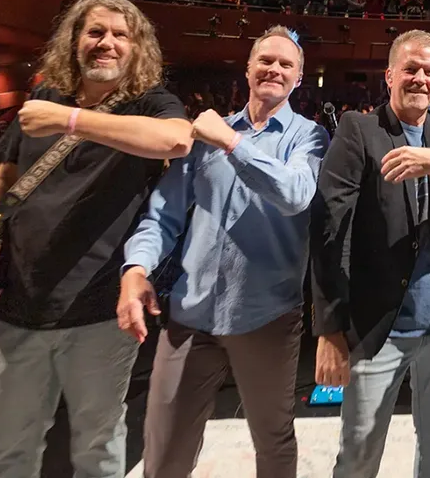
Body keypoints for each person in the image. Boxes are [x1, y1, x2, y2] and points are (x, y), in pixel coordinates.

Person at [0, 0, 192, 478]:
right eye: (95, 32)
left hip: (98, 313)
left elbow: (175, 139)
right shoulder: (43, 101)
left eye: (120, 35)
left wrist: (71, 121)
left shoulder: (148, 103)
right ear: (74, 41)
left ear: (136, 47)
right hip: (19, 307)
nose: (107, 43)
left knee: (97, 452)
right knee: (7, 454)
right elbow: (2, 182)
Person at [118, 26, 328, 478]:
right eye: (265, 61)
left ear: (299, 77)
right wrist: (137, 267)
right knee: (164, 448)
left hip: (266, 316)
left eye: (285, 64)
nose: (274, 69)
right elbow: (163, 214)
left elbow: (294, 194)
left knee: (273, 442)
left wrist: (232, 143)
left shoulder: (309, 137)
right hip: (190, 314)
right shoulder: (205, 133)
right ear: (248, 68)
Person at [312, 29, 430, 478]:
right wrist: (330, 327)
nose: (419, 79)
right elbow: (328, 231)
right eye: (410, 69)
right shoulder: (359, 130)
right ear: (390, 75)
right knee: (359, 453)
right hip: (378, 326)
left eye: (429, 72)